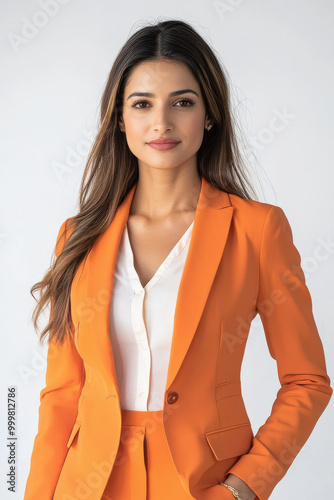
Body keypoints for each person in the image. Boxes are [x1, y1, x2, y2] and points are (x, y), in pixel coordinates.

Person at [23, 19, 332, 500]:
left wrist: (243, 488)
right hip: (86, 485)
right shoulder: (78, 236)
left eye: (182, 103)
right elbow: (63, 394)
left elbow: (306, 381)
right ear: (120, 118)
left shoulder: (257, 230)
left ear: (209, 114)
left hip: (200, 483)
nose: (161, 123)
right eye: (142, 104)